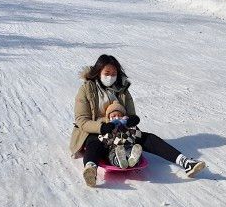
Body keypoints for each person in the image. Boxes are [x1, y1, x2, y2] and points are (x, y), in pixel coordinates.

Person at [70, 55, 206, 187]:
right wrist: (102, 126)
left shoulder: (122, 89)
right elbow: (82, 120)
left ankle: (186, 162)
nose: (110, 77)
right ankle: (91, 169)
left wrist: (131, 120)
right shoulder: (87, 89)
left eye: (114, 73)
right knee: (94, 142)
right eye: (107, 73)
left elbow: (130, 113)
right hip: (95, 129)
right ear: (98, 72)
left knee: (148, 138)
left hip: (121, 128)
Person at [98, 100, 143, 169]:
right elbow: (104, 140)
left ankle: (133, 159)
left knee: (131, 152)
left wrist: (131, 125)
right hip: (114, 147)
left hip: (128, 145)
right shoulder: (109, 128)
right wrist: (111, 131)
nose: (117, 118)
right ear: (109, 118)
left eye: (119, 115)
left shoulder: (127, 126)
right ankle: (119, 161)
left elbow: (138, 135)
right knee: (112, 155)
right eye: (113, 116)